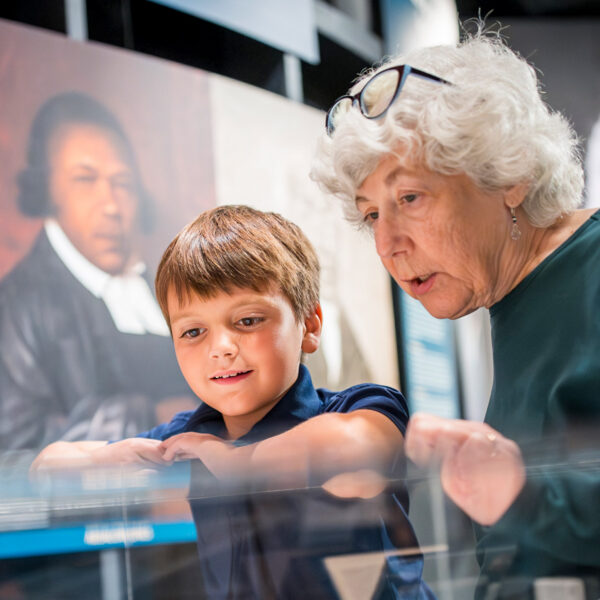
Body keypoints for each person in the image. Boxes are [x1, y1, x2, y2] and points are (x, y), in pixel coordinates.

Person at [311, 29, 600, 599]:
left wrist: (524, 493)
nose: (389, 243)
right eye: (372, 215)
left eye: (410, 198)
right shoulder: (518, 297)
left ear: (509, 175)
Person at [32, 205, 435, 600]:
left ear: (309, 326)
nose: (220, 349)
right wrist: (112, 458)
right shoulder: (189, 436)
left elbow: (355, 445)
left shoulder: (359, 406)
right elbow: (46, 467)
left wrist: (235, 461)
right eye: (193, 332)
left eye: (247, 321)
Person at [0, 92, 194, 458]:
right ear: (48, 190)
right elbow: (14, 455)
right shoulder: (15, 306)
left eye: (122, 183)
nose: (110, 206)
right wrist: (152, 417)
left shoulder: (161, 288)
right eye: (85, 180)